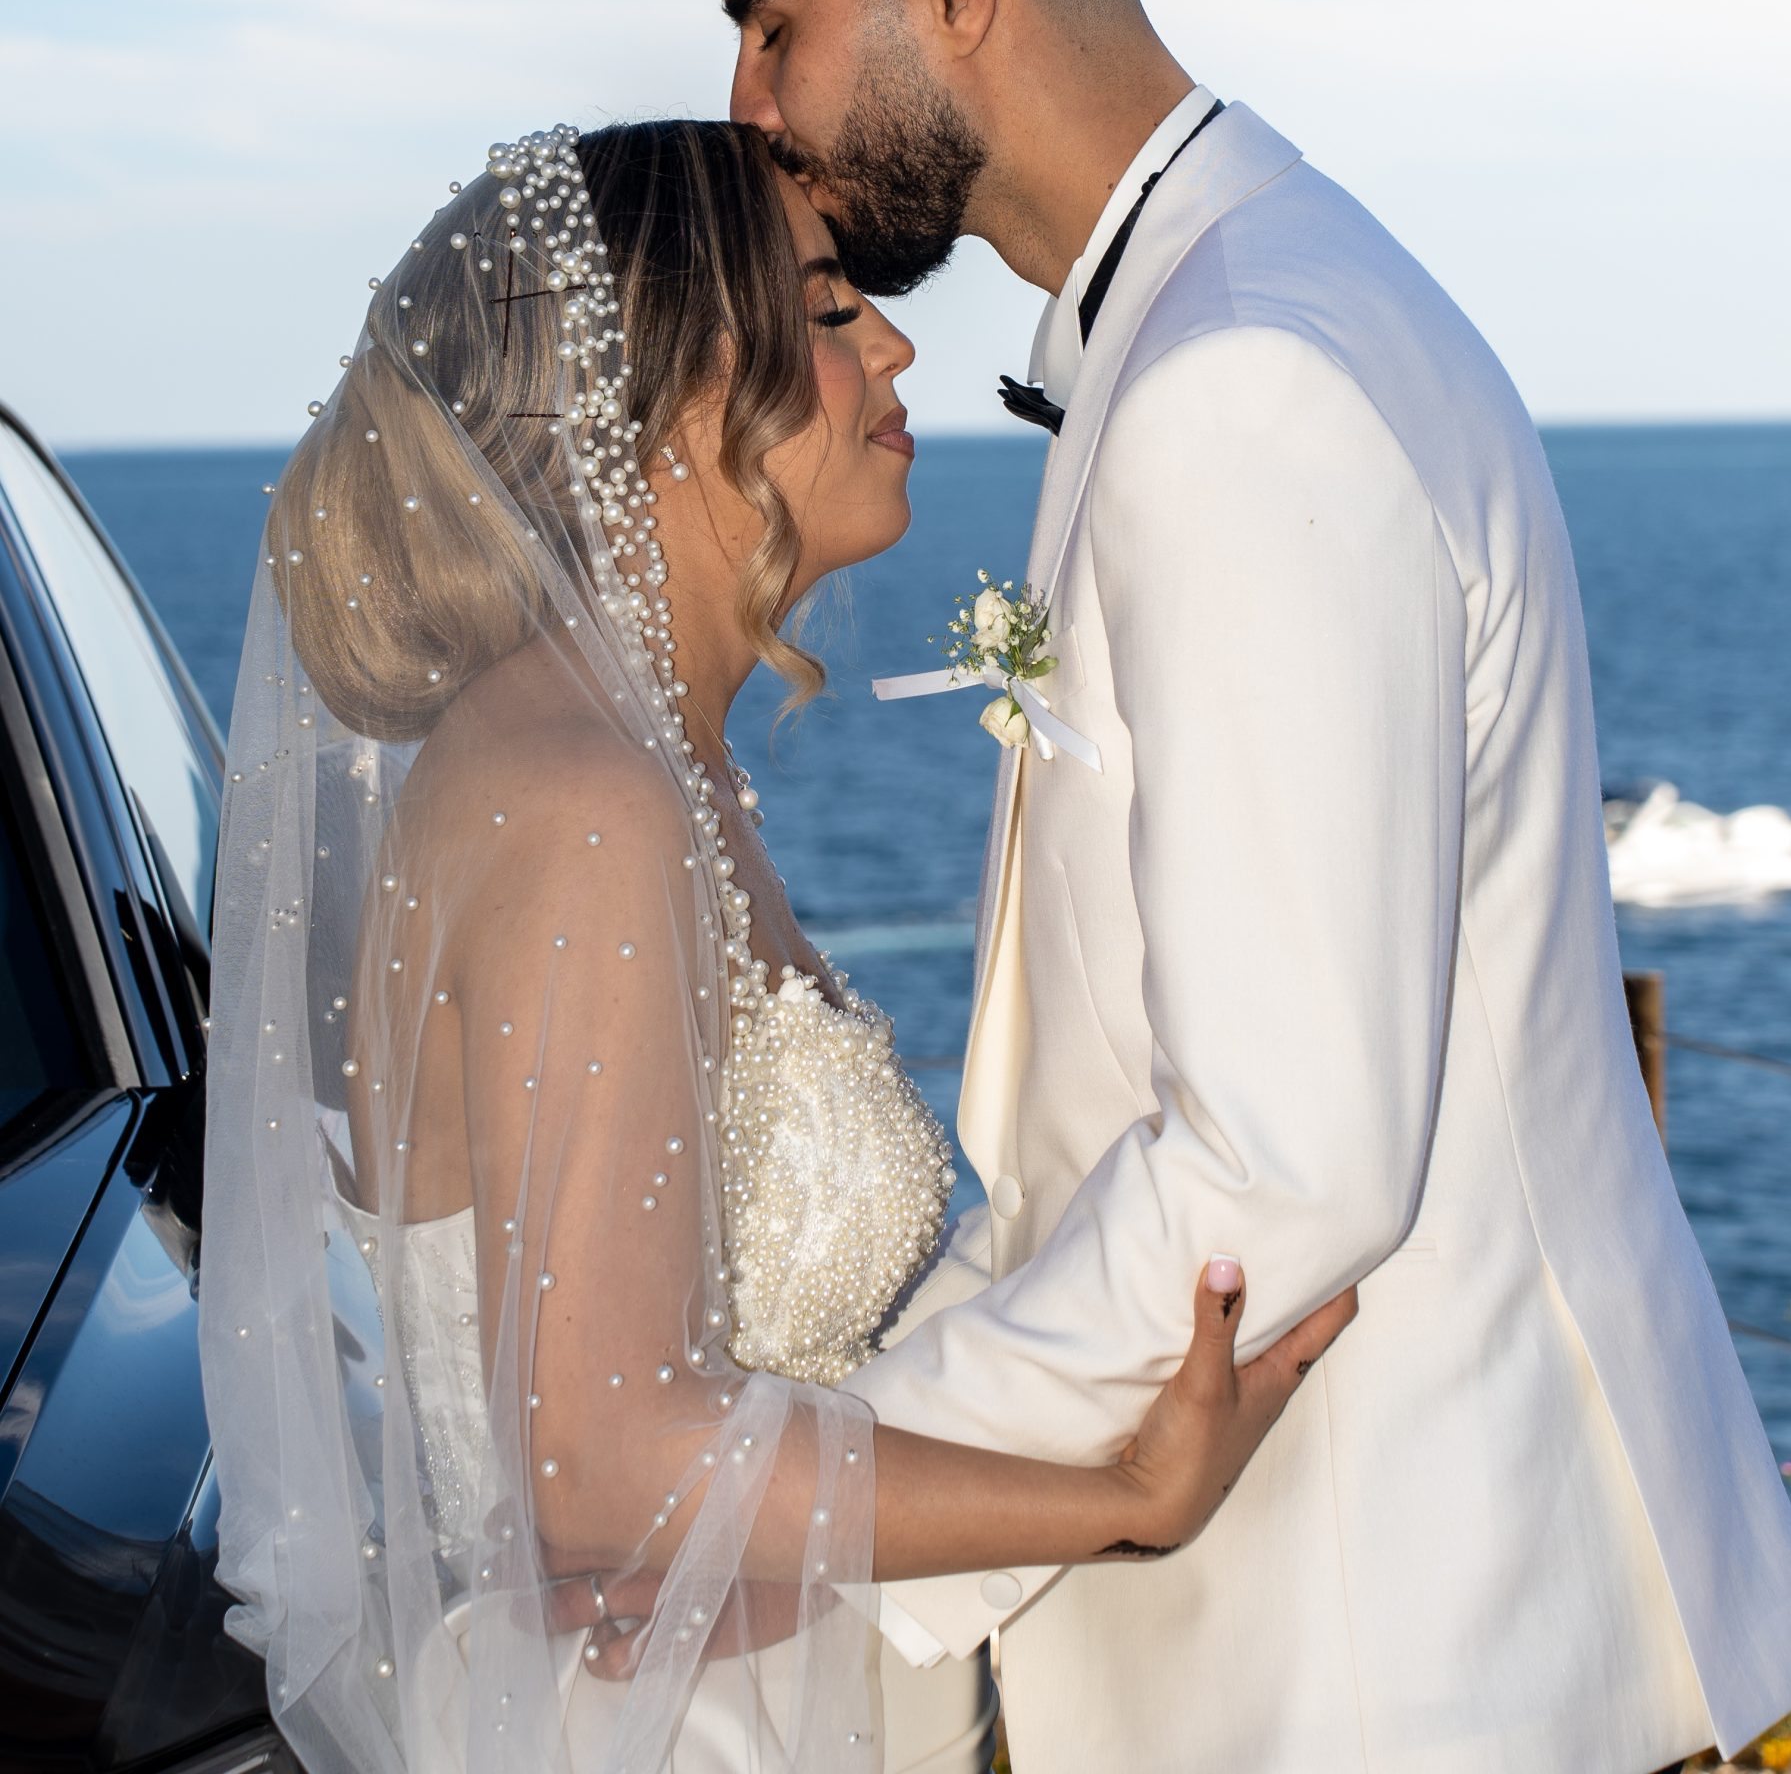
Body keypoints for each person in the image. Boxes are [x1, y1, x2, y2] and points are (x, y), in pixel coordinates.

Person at [719, 0, 1791, 1774]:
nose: (746, 99)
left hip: (1422, 1673)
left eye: (770, 21)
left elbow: (1283, 1158)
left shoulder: (1244, 383)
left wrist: (842, 1509)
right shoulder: (1246, 306)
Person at [198, 116, 1353, 1774]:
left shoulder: (632, 768)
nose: (894, 346)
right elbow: (601, 1458)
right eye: (825, 308)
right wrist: (1120, 1500)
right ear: (666, 400)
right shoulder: (584, 802)